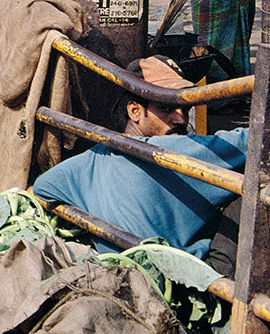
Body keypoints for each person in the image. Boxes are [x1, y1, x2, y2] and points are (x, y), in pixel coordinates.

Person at [33, 56, 247, 269]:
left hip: (122, 271)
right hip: (185, 282)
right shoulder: (178, 150)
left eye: (185, 109)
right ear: (134, 111)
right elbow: (252, 140)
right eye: (166, 108)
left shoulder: (94, 159)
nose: (181, 119)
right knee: (250, 187)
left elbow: (43, 188)